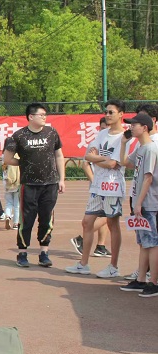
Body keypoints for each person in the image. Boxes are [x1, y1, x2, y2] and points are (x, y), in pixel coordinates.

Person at [65, 100, 126, 278]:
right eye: (106, 112)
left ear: (121, 114)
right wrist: (101, 159)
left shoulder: (124, 138)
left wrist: (97, 158)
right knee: (87, 221)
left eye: (111, 112)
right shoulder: (102, 134)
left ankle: (113, 266)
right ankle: (83, 264)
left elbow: (114, 164)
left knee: (112, 223)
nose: (107, 115)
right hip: (97, 185)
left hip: (113, 186)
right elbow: (88, 156)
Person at [4, 103, 65, 268]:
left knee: (46, 218)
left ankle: (44, 253)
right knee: (27, 220)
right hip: (29, 185)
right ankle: (22, 253)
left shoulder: (51, 133)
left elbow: (59, 156)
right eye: (41, 115)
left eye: (45, 115)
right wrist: (24, 163)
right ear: (31, 117)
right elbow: (7, 159)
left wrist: (61, 179)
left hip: (50, 184)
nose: (44, 117)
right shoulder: (19, 136)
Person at [119, 113, 158, 297]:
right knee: (143, 243)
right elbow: (125, 162)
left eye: (134, 125)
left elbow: (148, 178)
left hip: (148, 203)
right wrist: (123, 144)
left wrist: (139, 203)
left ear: (144, 127)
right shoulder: (141, 148)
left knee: (152, 242)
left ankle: (153, 282)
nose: (131, 127)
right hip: (140, 202)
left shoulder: (151, 148)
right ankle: (141, 279)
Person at [70, 116, 112, 257]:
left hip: (110, 185)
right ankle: (81, 238)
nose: (106, 130)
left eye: (108, 127)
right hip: (100, 186)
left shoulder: (114, 142)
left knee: (105, 215)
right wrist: (95, 182)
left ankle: (101, 246)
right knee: (110, 216)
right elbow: (85, 164)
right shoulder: (96, 143)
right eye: (103, 127)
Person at [2, 139, 21, 231]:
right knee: (17, 204)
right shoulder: (16, 156)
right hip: (16, 182)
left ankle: (8, 215)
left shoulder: (3, 156)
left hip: (6, 182)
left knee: (8, 202)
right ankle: (16, 223)